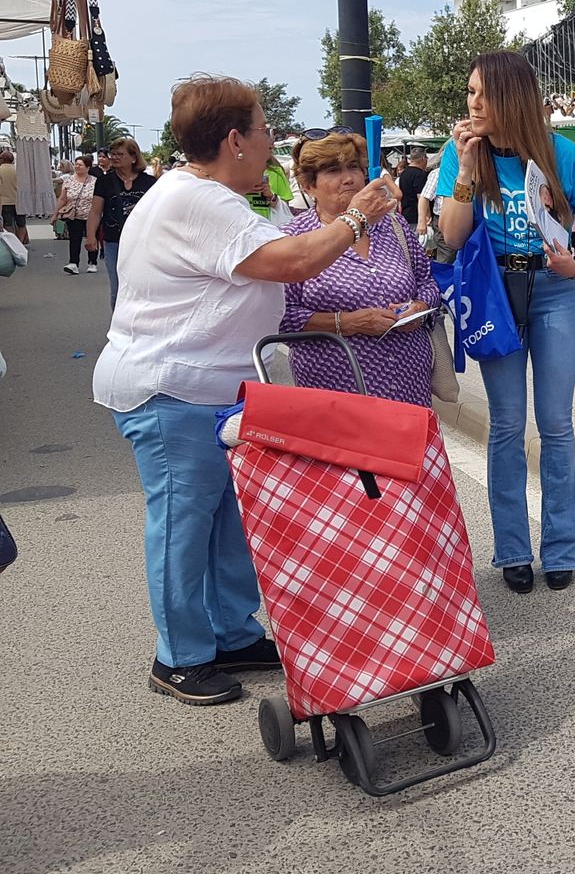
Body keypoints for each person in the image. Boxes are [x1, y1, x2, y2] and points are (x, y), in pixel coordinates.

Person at [93, 75, 398, 706]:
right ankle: (179, 654)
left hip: (216, 387)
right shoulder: (197, 202)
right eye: (263, 129)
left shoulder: (205, 195)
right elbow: (293, 262)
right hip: (173, 387)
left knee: (229, 521)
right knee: (184, 522)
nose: (269, 142)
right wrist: (358, 215)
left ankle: (229, 630)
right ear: (234, 140)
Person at [436, 51, 575, 594]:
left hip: (554, 290)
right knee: (506, 425)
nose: (473, 103)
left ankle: (560, 549)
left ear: (513, 96)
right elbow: (452, 235)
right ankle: (512, 549)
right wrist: (464, 171)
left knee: (556, 423)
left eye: (483, 93)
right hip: (494, 295)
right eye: (469, 93)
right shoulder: (460, 154)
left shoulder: (562, 153)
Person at [280, 129, 440, 406]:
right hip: (335, 390)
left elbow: (427, 281)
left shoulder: (393, 226)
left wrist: (420, 308)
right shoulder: (295, 238)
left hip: (409, 385)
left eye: (354, 167)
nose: (349, 178)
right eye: (333, 170)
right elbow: (280, 315)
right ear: (308, 185)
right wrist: (347, 323)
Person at [88, 137, 157, 304]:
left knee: (143, 286)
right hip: (114, 241)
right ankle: (119, 327)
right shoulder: (105, 182)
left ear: (133, 158)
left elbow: (157, 213)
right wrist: (90, 236)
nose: (115, 157)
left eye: (120, 154)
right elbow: (96, 211)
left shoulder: (149, 182)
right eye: (113, 154)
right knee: (118, 288)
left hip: (143, 242)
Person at [51, 156, 97, 273]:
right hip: (74, 215)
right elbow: (62, 199)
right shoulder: (69, 180)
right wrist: (55, 214)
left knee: (91, 238)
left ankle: (92, 262)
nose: (77, 166)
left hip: (91, 216)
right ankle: (73, 263)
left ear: (88, 167)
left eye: (80, 165)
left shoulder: (94, 181)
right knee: (74, 239)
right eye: (76, 164)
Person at [246, 151, 294, 222]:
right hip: (245, 225)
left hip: (270, 224)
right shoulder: (234, 175)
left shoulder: (275, 172)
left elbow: (284, 207)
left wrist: (270, 196)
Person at [398, 146, 429, 229]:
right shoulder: (420, 175)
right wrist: (426, 215)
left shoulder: (403, 173)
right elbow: (422, 197)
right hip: (417, 216)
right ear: (423, 158)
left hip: (406, 214)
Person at [0, 148, 25, 243]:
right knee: (21, 224)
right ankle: (20, 242)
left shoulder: (1, 170)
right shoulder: (18, 170)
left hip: (5, 201)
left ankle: (12, 243)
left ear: (2, 159)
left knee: (8, 224)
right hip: (20, 201)